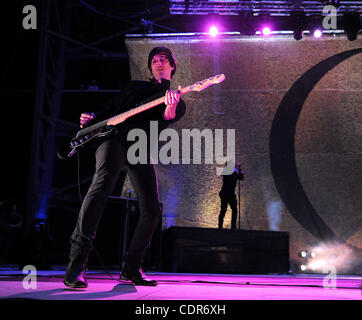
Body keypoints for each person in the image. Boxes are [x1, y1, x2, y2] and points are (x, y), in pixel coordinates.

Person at [64, 47, 186, 288]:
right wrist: (92, 117)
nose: (158, 62)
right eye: (154, 60)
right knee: (100, 189)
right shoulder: (134, 87)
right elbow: (109, 112)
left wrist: (170, 107)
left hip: (139, 148)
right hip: (113, 140)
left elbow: (168, 118)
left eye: (163, 59)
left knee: (152, 209)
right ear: (150, 67)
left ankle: (131, 268)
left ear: (173, 66)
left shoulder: (175, 100)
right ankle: (77, 263)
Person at [218, 162, 244, 229]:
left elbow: (241, 178)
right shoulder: (227, 172)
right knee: (224, 210)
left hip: (231, 194)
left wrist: (240, 169)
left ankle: (233, 227)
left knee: (234, 209)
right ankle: (220, 226)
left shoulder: (234, 173)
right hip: (225, 193)